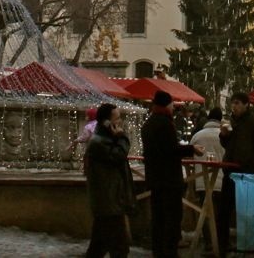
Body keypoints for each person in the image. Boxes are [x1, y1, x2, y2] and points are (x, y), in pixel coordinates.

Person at [141, 90, 201, 258]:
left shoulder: (148, 123)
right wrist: (191, 149)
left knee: (158, 218)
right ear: (167, 104)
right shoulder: (165, 123)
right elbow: (170, 150)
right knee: (172, 218)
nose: (174, 107)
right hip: (169, 180)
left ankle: (158, 250)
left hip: (155, 179)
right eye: (172, 104)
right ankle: (169, 252)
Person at [218, 92, 254, 257]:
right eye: (233, 103)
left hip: (246, 173)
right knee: (224, 210)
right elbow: (228, 145)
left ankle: (248, 244)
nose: (234, 106)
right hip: (230, 170)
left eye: (238, 103)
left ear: (246, 104)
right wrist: (223, 136)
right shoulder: (233, 121)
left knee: (246, 211)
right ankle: (222, 246)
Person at [85, 102, 135, 258]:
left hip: (110, 201)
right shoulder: (98, 142)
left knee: (99, 245)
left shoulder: (105, 139)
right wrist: (122, 137)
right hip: (109, 202)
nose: (120, 122)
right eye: (117, 118)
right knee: (119, 247)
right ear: (107, 122)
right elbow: (119, 156)